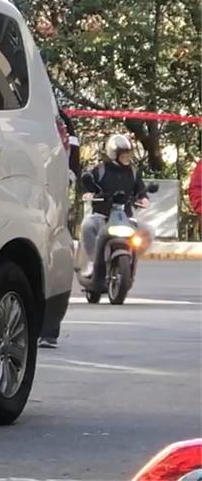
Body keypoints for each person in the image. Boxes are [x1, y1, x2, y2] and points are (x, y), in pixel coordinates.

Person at [78, 134, 153, 294]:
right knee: (87, 225)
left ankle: (132, 258)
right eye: (124, 154)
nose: (128, 157)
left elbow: (140, 191)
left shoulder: (133, 172)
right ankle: (92, 261)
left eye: (129, 153)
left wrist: (144, 198)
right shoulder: (101, 170)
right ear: (114, 154)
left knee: (148, 231)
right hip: (102, 217)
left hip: (125, 218)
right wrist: (88, 193)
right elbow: (88, 185)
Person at [39, 108, 79, 349]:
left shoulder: (60, 119)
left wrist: (70, 177)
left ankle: (49, 329)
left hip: (52, 194)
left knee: (52, 256)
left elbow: (73, 159)